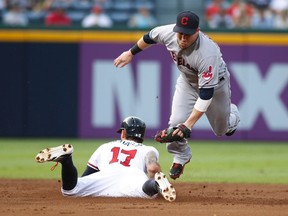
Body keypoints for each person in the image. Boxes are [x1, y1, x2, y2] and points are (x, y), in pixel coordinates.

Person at [114, 11, 240, 180]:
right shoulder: (168, 32)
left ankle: (232, 115)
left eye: (187, 34)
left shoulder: (207, 53)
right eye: (180, 32)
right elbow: (149, 37)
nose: (182, 38)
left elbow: (205, 95)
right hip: (188, 81)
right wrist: (130, 53)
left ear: (197, 31)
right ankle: (181, 155)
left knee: (220, 130)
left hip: (215, 87)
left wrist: (188, 125)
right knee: (175, 122)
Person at [35, 116, 176, 202]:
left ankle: (67, 160)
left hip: (106, 175)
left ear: (124, 133)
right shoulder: (148, 149)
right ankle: (156, 185)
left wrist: (86, 186)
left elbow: (87, 175)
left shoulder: (106, 146)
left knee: (72, 190)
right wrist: (153, 179)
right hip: (132, 176)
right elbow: (152, 168)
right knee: (147, 192)